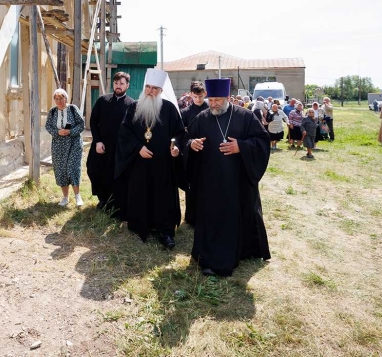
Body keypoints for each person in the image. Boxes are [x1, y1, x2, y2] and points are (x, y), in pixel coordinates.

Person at [184, 77, 271, 276]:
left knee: (236, 215)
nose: (213, 104)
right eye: (211, 100)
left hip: (237, 181)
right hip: (209, 181)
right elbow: (187, 137)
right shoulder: (202, 117)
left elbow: (262, 141)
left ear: (228, 98)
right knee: (211, 217)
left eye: (218, 100)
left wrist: (242, 146)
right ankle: (209, 256)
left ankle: (240, 250)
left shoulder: (246, 116)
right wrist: (192, 144)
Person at [115, 69, 184, 249]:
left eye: (154, 88)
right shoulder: (134, 107)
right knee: (140, 193)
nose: (150, 91)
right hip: (140, 163)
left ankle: (165, 231)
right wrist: (138, 148)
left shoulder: (169, 109)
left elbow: (179, 133)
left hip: (163, 163)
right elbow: (124, 132)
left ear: (161, 90)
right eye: (148, 87)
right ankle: (140, 227)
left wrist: (176, 146)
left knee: (163, 196)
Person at [86, 72, 134, 211]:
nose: (118, 86)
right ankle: (102, 198)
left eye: (121, 83)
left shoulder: (131, 104)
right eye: (116, 83)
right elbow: (93, 121)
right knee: (94, 170)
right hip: (101, 145)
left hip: (119, 148)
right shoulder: (103, 100)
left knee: (115, 175)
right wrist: (97, 141)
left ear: (127, 85)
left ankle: (114, 202)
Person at [45, 88, 86, 206]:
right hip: (58, 145)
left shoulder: (73, 109)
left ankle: (77, 196)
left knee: (73, 168)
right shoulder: (52, 112)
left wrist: (70, 131)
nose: (59, 101)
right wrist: (57, 132)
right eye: (56, 99)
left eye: (61, 98)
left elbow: (81, 124)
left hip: (74, 143)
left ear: (66, 98)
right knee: (61, 169)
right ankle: (65, 197)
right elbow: (48, 126)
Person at [179, 81, 209, 225]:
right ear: (191, 95)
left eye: (201, 97)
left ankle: (207, 215)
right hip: (191, 154)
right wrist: (191, 142)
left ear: (205, 94)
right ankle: (191, 217)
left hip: (208, 153)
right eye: (195, 97)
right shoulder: (185, 113)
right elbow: (181, 134)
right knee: (192, 185)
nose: (198, 99)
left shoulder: (210, 109)